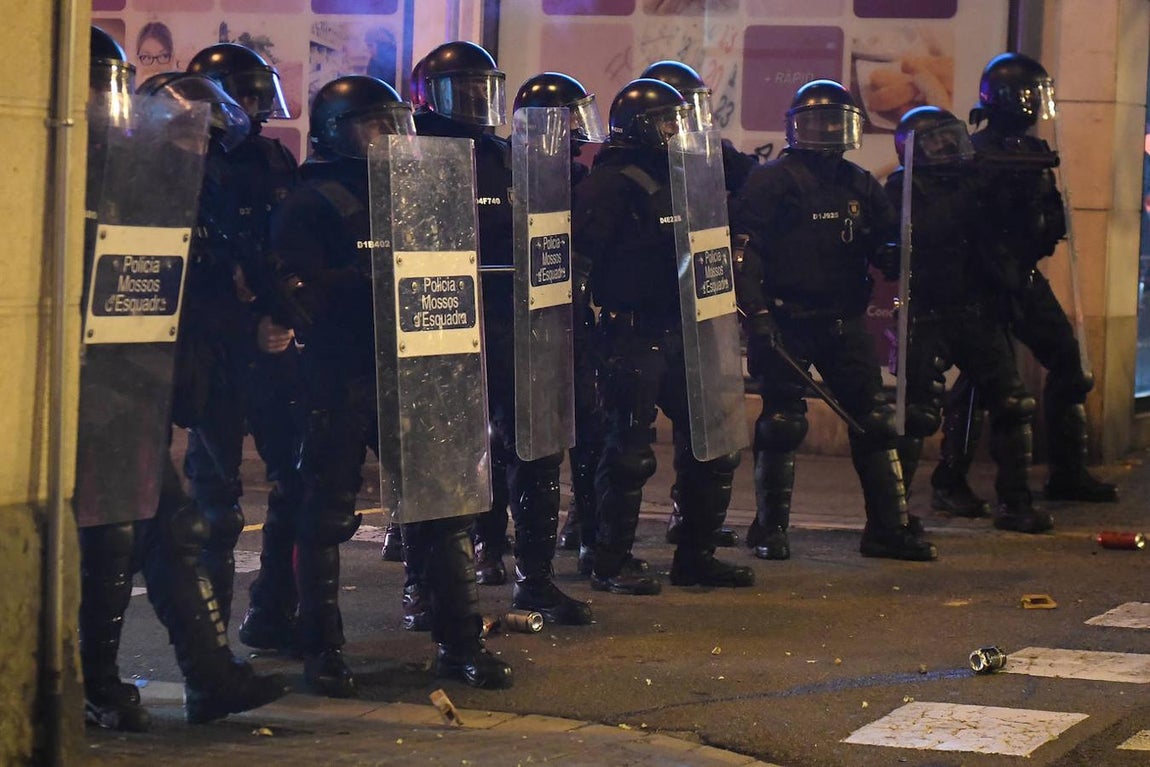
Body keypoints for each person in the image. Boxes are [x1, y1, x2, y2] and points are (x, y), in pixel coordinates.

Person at [268, 74, 513, 692]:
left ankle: (459, 642)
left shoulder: (418, 185)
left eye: (392, 122)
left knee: (442, 506)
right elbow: (295, 287)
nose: (387, 136)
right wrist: (362, 278)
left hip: (418, 364)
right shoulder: (310, 201)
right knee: (326, 514)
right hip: (340, 368)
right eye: (371, 125)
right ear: (335, 133)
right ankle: (321, 648)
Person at [79, 32, 287, 731]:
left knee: (166, 525)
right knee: (116, 536)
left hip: (121, 383)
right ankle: (98, 685)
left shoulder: (170, 188)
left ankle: (203, 676)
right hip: (74, 385)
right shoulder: (78, 176)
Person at [415, 42, 593, 626]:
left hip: (510, 319)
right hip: (433, 326)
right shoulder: (409, 154)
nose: (473, 99)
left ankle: (534, 582)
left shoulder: (504, 153)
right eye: (459, 88)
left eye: (480, 86)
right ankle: (428, 590)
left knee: (535, 449)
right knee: (438, 459)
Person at [729, 79, 937, 562]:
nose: (824, 131)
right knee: (782, 423)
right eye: (814, 122)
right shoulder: (771, 181)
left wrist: (893, 254)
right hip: (786, 320)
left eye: (833, 122)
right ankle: (769, 528)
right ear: (795, 128)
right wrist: (756, 313)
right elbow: (744, 253)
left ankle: (888, 528)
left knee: (877, 422)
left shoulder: (860, 182)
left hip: (842, 321)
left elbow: (885, 239)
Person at [571, 77, 756, 595]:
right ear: (636, 129)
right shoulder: (609, 183)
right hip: (631, 334)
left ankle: (695, 557)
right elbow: (578, 262)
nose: (676, 130)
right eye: (665, 122)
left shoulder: (689, 173)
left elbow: (744, 187)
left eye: (679, 120)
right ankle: (610, 559)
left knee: (714, 447)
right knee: (629, 452)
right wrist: (580, 334)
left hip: (689, 329)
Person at [930, 52, 1117, 518]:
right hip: (982, 287)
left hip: (1025, 280)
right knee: (986, 386)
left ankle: (1067, 471)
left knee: (1073, 369)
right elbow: (961, 224)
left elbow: (1049, 211)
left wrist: (1048, 226)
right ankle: (956, 481)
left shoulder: (1034, 153)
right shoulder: (970, 154)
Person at [179, 42, 305, 651]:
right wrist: (245, 324)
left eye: (260, 93)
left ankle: (273, 613)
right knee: (214, 506)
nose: (253, 106)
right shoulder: (183, 162)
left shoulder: (272, 158)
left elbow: (284, 249)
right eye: (243, 93)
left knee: (298, 483)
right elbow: (189, 279)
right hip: (215, 353)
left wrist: (285, 315)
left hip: (272, 346)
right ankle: (208, 650)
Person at [885, 106, 1051, 535]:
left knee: (1014, 405)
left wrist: (1021, 192)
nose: (948, 148)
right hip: (925, 315)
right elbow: (926, 232)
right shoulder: (904, 187)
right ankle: (894, 514)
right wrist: (973, 189)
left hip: (975, 312)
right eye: (936, 141)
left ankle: (1015, 502)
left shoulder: (974, 181)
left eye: (951, 137)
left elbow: (1013, 235)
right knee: (915, 414)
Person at [637, 59, 759, 551]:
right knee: (623, 437)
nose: (682, 123)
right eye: (674, 114)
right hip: (644, 313)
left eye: (691, 111)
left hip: (696, 307)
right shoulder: (632, 165)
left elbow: (754, 182)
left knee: (707, 429)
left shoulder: (711, 152)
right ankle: (589, 530)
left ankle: (691, 524)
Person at [506, 71, 609, 579]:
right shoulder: (506, 169)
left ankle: (585, 530)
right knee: (513, 442)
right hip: (516, 328)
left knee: (589, 431)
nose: (576, 130)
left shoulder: (584, 180)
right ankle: (489, 545)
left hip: (570, 322)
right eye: (568, 118)